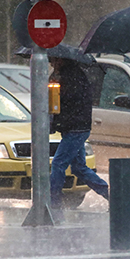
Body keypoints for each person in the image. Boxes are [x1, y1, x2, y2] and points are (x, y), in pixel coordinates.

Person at [49, 56, 110, 219]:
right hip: (75, 128)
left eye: (53, 60)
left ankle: (53, 201)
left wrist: (56, 88)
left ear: (61, 61)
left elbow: (65, 102)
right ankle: (111, 195)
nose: (51, 63)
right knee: (78, 168)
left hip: (76, 128)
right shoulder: (71, 75)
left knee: (58, 163)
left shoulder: (71, 77)